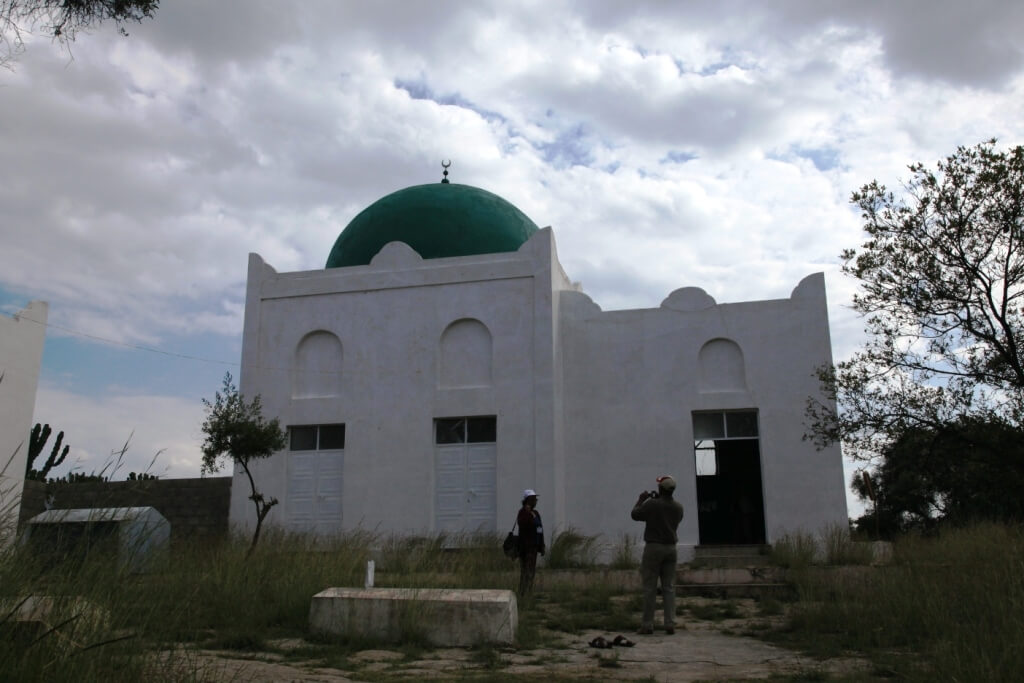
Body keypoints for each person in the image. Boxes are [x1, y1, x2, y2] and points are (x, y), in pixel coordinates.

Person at [631, 475, 684, 634]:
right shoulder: (678, 508)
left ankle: (647, 625)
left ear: (660, 489)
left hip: (654, 547)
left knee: (650, 588)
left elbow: (635, 514)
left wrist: (642, 499)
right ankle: (670, 623)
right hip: (671, 549)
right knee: (669, 587)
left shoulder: (652, 504)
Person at [516, 489, 545, 596]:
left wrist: (542, 546)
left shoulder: (536, 513)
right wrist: (528, 514)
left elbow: (540, 529)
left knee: (531, 570)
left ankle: (528, 591)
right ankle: (523, 592)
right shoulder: (523, 513)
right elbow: (523, 525)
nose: (536, 501)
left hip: (534, 547)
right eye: (533, 499)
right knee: (526, 571)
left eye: (536, 499)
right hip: (526, 547)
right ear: (528, 500)